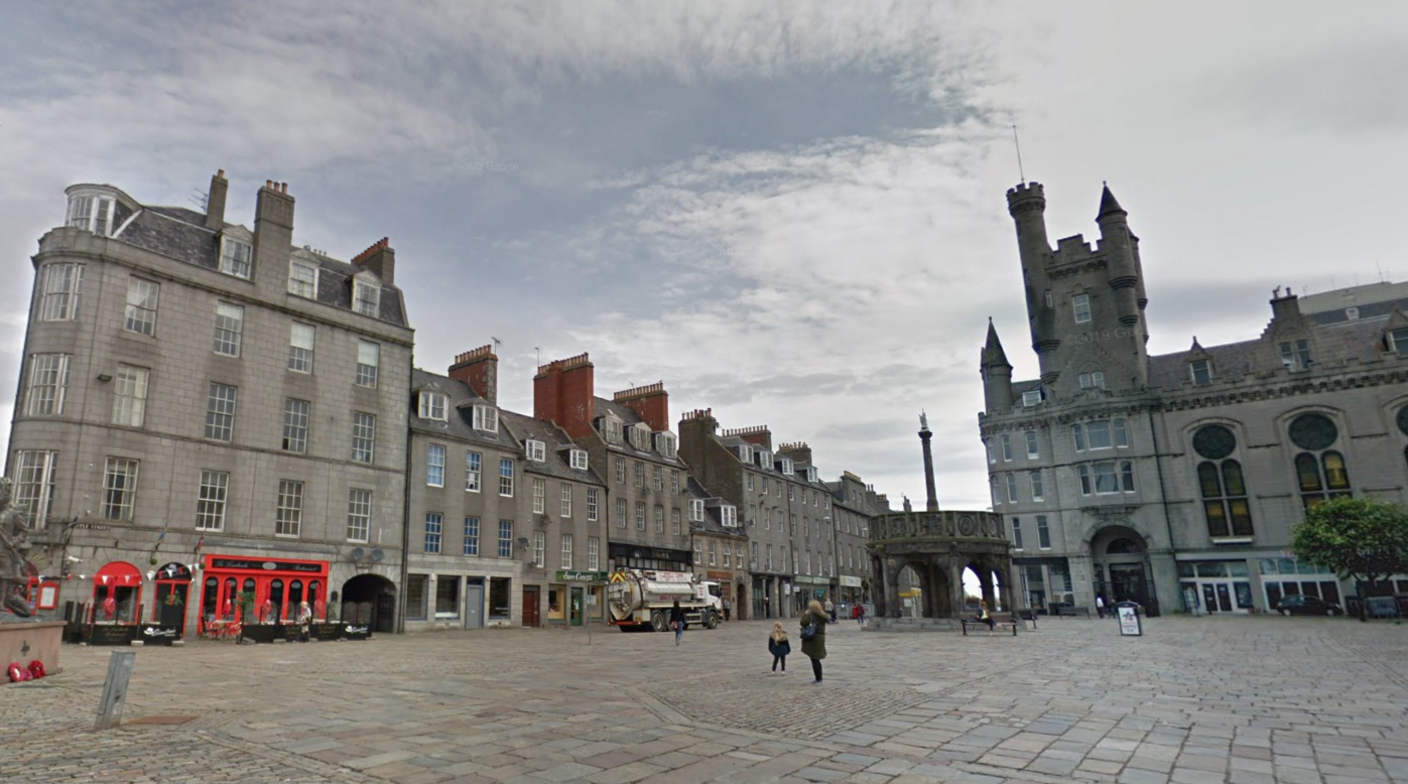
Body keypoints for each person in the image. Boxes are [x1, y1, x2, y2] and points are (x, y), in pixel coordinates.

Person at [800, 598, 828, 684]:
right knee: (815, 659)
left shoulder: (813, 615)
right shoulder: (822, 615)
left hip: (814, 638)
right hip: (819, 638)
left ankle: (818, 678)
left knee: (815, 659)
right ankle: (818, 678)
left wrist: (806, 614)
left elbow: (803, 623)